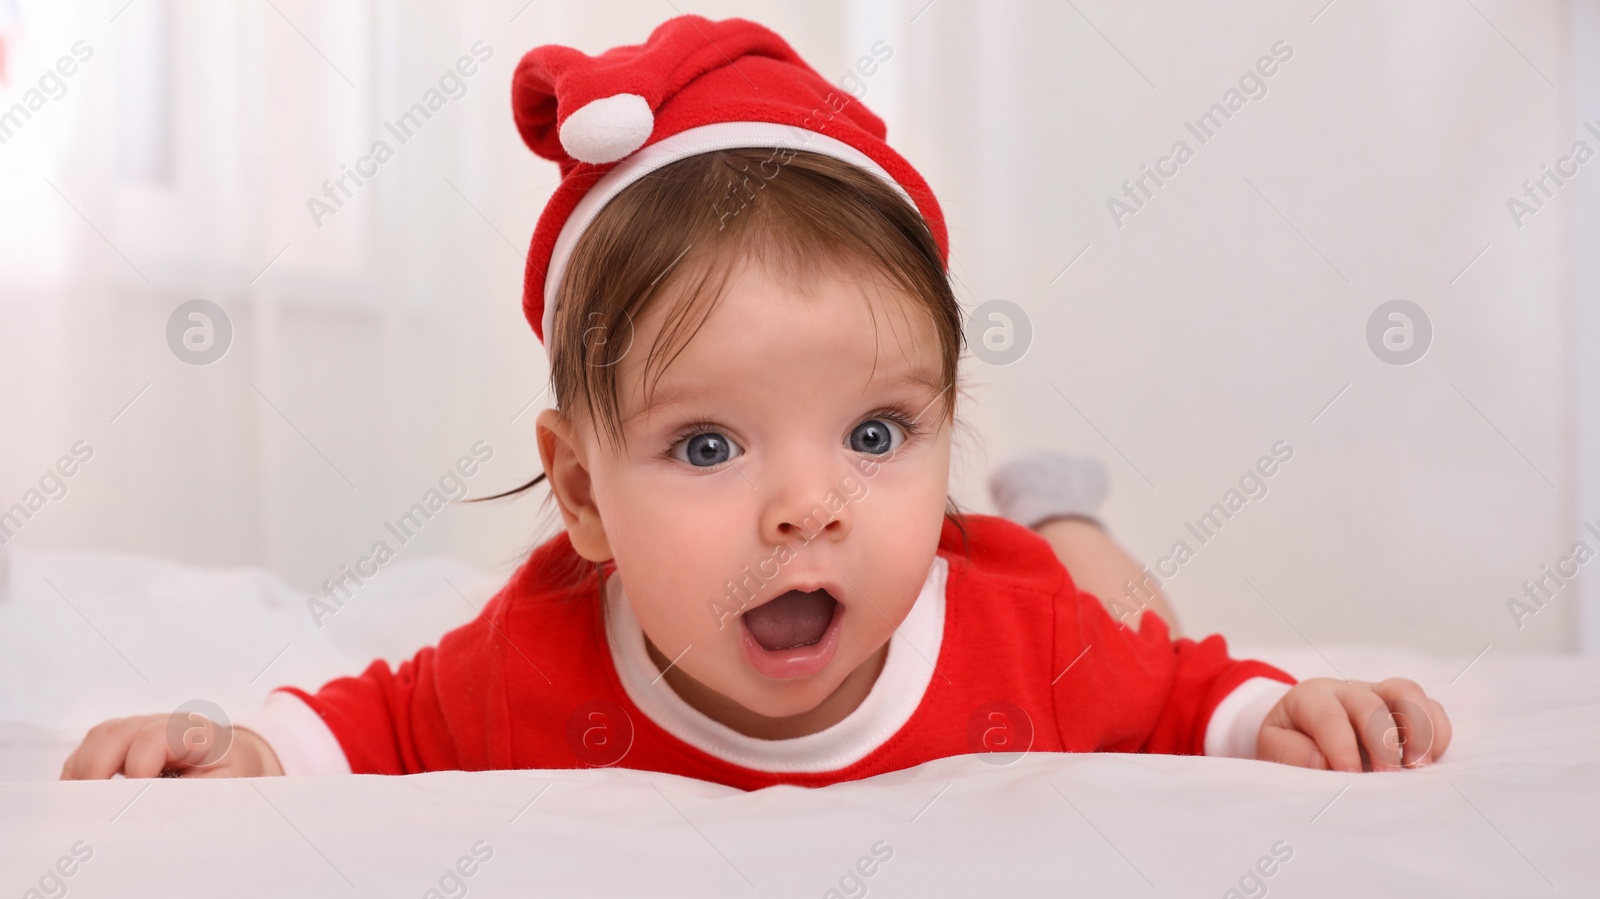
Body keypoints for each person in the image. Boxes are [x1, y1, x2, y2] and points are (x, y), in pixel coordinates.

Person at [61, 15, 1449, 785]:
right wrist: (241, 751)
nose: (807, 507)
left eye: (878, 433)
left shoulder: (1018, 637)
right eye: (709, 444)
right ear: (585, 493)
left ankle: (1054, 507)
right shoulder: (533, 657)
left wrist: (1276, 711)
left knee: (1120, 593)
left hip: (1015, 565)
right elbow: (383, 722)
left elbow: (1179, 695)